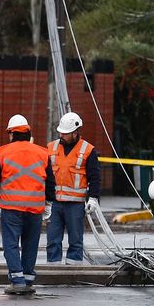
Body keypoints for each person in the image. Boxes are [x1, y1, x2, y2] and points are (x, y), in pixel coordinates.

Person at [0, 114, 56, 295]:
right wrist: (49, 203)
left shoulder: (2, 152)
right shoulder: (42, 152)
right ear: (28, 133)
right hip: (35, 207)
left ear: (11, 134)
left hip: (11, 207)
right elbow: (50, 182)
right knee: (30, 244)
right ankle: (28, 279)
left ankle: (17, 280)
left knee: (11, 244)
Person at [46, 112, 101, 265]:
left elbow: (94, 177)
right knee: (52, 240)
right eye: (60, 132)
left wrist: (94, 198)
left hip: (75, 204)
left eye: (65, 133)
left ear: (75, 133)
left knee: (75, 241)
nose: (61, 135)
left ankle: (73, 271)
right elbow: (44, 174)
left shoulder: (88, 150)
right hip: (55, 203)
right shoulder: (51, 148)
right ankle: (53, 271)